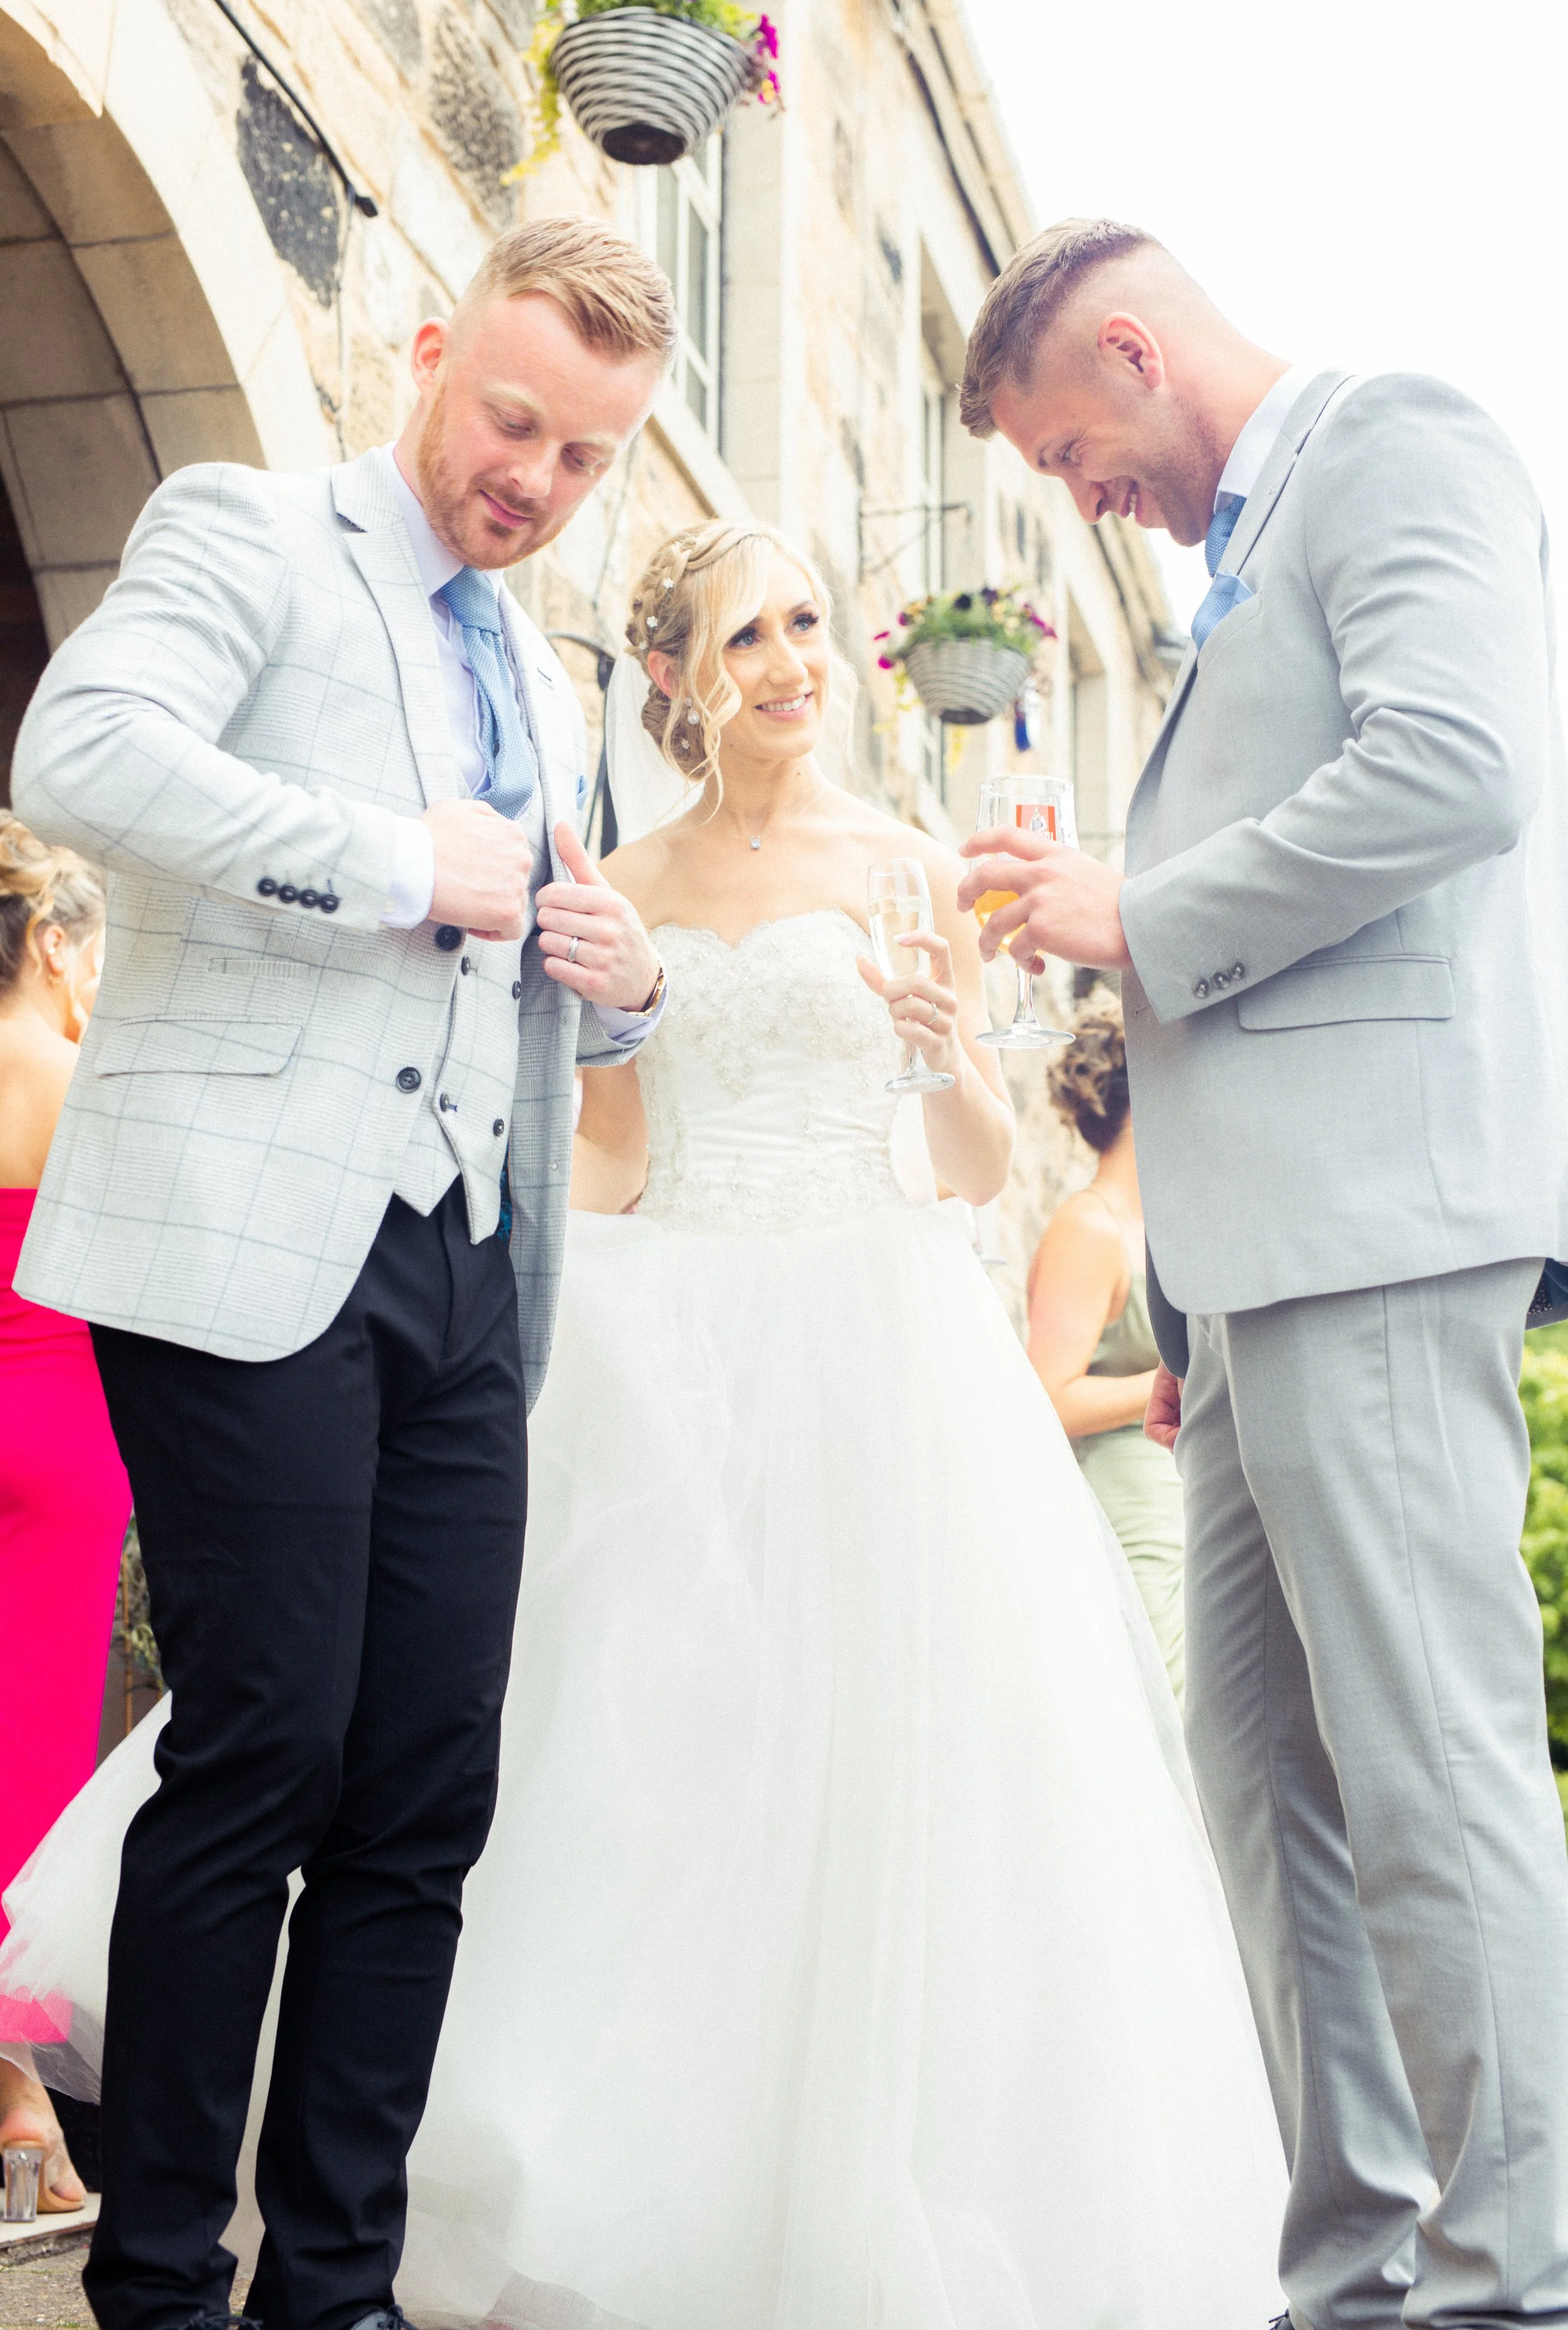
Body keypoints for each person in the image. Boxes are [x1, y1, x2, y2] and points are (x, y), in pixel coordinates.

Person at [3, 517, 1288, 2328]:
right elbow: (606, 1147)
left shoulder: (915, 868)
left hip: (878, 1348)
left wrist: (936, 1045)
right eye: (740, 631)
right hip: (669, 1332)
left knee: (879, 1770)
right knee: (633, 1754)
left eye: (806, 621)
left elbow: (975, 1172)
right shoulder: (623, 878)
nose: (787, 658)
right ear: (676, 674)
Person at [6, 218, 676, 2330]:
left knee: (424, 1790)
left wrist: (630, 985)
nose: (536, 481)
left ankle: (339, 2292)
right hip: (244, 1238)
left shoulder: (553, 680)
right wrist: (393, 861)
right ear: (424, 355)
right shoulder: (248, 534)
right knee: (265, 1746)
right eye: (513, 422)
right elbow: (76, 760)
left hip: (474, 1263)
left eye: (587, 459)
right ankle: (164, 2284)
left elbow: (541, 958)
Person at [955, 216, 1568, 2330]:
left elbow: (1464, 765)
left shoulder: (1404, 444)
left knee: (1429, 1769)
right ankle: (1361, 2276)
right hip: (1244, 1278)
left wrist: (1145, 906)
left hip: (1377, 1227)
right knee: (1270, 1793)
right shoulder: (1238, 564)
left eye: (1069, 449)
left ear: (1136, 346)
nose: (1078, 499)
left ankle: (1521, 2284)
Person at [0, 810, 127, 2213]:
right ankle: (26, 2112)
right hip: (64, 1433)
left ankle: (19, 2105)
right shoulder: (77, 1072)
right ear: (46, 941)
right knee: (33, 1771)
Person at [1028, 998, 1184, 1698]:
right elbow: (1045, 1400)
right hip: (1132, 1502)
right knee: (1161, 1692)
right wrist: (1183, 1375)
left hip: (1190, 1493)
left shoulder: (1167, 1225)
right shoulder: (1088, 1229)